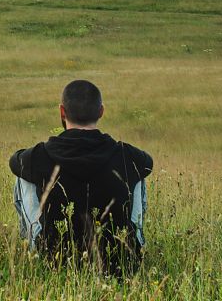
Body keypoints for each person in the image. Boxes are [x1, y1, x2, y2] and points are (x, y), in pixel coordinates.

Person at [10, 79, 153, 275]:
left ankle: (35, 249)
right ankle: (134, 244)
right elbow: (148, 163)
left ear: (62, 112)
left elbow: (14, 161)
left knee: (23, 173)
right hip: (117, 262)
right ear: (101, 111)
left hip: (55, 260)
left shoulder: (39, 156)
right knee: (138, 172)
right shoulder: (128, 156)